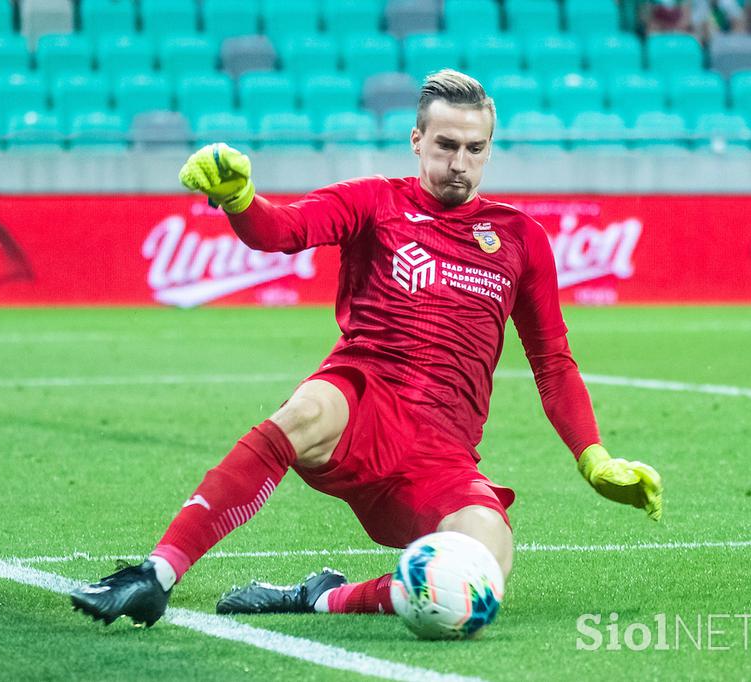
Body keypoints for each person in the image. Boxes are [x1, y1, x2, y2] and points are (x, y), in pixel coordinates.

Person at [70, 70, 664, 627]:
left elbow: (553, 363)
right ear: (417, 140)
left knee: (487, 563)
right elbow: (286, 230)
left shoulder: (520, 239)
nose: (460, 163)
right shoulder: (373, 201)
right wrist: (241, 200)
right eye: (446, 145)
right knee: (305, 409)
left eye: (475, 149)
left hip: (441, 452)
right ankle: (157, 574)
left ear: (489, 147)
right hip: (361, 402)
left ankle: (325, 598)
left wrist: (593, 456)